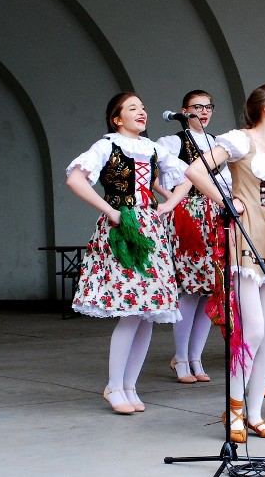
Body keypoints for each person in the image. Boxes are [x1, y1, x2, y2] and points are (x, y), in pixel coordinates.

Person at [66, 92, 191, 414]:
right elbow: (76, 179)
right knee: (132, 310)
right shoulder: (106, 145)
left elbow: (188, 177)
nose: (142, 112)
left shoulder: (153, 149)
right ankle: (114, 385)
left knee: (147, 312)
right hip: (122, 229)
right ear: (117, 118)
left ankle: (130, 386)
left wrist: (169, 205)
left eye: (143, 108)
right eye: (132, 108)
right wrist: (112, 211)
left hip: (150, 228)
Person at [186, 84, 265, 442]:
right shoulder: (240, 140)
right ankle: (234, 408)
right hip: (246, 235)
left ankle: (254, 412)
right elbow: (195, 171)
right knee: (251, 330)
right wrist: (226, 200)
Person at [157, 90, 232, 385]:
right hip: (188, 216)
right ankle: (181, 356)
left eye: (208, 107)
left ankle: (196, 356)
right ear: (184, 110)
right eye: (196, 107)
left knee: (210, 289)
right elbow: (154, 174)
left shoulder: (216, 143)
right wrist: (172, 199)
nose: (203, 112)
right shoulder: (173, 142)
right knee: (189, 289)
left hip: (214, 215)